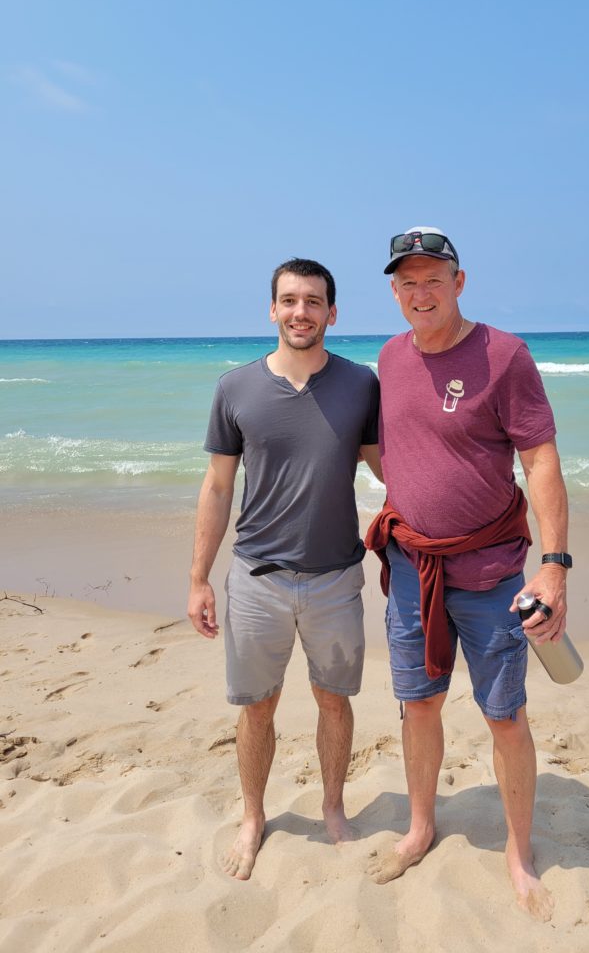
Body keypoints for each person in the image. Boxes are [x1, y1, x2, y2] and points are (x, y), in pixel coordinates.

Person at [365, 227, 570, 921]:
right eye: (407, 282)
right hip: (411, 569)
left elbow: (540, 461)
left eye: (433, 278)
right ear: (394, 293)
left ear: (460, 281)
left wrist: (553, 567)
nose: (420, 293)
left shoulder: (504, 355)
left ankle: (518, 852)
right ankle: (421, 826)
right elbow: (390, 448)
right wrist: (413, 503)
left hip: (490, 574)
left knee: (504, 715)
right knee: (417, 705)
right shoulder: (390, 359)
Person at [188, 257, 381, 881]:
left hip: (335, 579)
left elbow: (389, 470)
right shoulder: (235, 388)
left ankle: (332, 809)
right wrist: (198, 579)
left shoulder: (361, 385)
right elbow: (218, 488)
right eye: (290, 300)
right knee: (259, 708)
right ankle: (253, 817)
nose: (301, 312)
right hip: (256, 580)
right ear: (272, 309)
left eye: (314, 301)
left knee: (333, 700)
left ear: (332, 312)